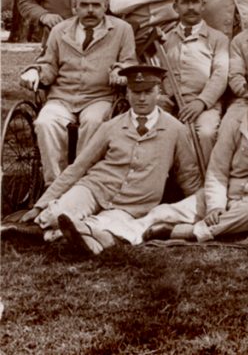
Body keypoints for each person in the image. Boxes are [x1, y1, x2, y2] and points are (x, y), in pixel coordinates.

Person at [17, 65, 202, 256]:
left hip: (132, 205)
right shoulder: (111, 126)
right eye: (135, 92)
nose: (141, 98)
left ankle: (55, 236)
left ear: (158, 93)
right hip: (95, 187)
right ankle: (44, 228)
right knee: (58, 214)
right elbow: (79, 167)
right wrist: (41, 203)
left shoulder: (175, 130)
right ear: (127, 93)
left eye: (148, 92)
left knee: (102, 226)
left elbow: (188, 175)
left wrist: (202, 207)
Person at [143, 62, 248, 242]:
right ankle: (126, 235)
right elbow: (218, 168)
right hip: (227, 195)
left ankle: (189, 232)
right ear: (247, 88)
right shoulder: (233, 119)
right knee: (162, 213)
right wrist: (215, 206)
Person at [19, 0, 136, 184]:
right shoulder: (59, 30)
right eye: (84, 5)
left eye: (96, 5)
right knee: (45, 123)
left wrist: (120, 71)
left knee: (94, 122)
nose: (90, 10)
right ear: (75, 7)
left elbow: (129, 61)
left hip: (99, 97)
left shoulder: (121, 30)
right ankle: (54, 185)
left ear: (105, 5)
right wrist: (35, 72)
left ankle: (82, 183)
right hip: (62, 97)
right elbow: (49, 64)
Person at [158, 0, 229, 167]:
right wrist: (162, 96)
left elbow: (220, 75)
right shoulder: (164, 39)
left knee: (206, 133)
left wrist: (201, 102)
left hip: (205, 105)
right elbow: (156, 72)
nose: (191, 7)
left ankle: (209, 184)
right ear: (175, 6)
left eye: (195, 2)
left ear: (203, 5)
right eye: (184, 2)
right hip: (172, 106)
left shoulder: (218, 39)